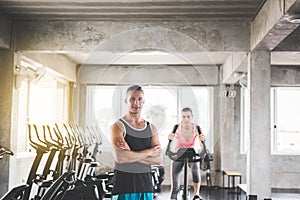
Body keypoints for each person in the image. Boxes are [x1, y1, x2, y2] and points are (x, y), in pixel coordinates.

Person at [110, 85, 162, 200]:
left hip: (145, 186)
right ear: (126, 101)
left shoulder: (151, 128)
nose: (136, 103)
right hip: (123, 187)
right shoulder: (118, 126)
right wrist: (149, 151)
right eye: (132, 99)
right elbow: (121, 158)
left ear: (143, 102)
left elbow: (158, 159)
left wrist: (130, 153)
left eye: (139, 99)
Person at [168, 107, 206, 200]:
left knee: (195, 168)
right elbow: (170, 143)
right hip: (179, 154)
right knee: (175, 186)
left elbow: (201, 145)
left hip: (191, 153)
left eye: (188, 116)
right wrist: (170, 139)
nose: (186, 119)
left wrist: (203, 144)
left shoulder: (197, 128)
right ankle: (174, 196)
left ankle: (196, 195)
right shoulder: (176, 127)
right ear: (181, 117)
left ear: (192, 117)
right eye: (183, 117)